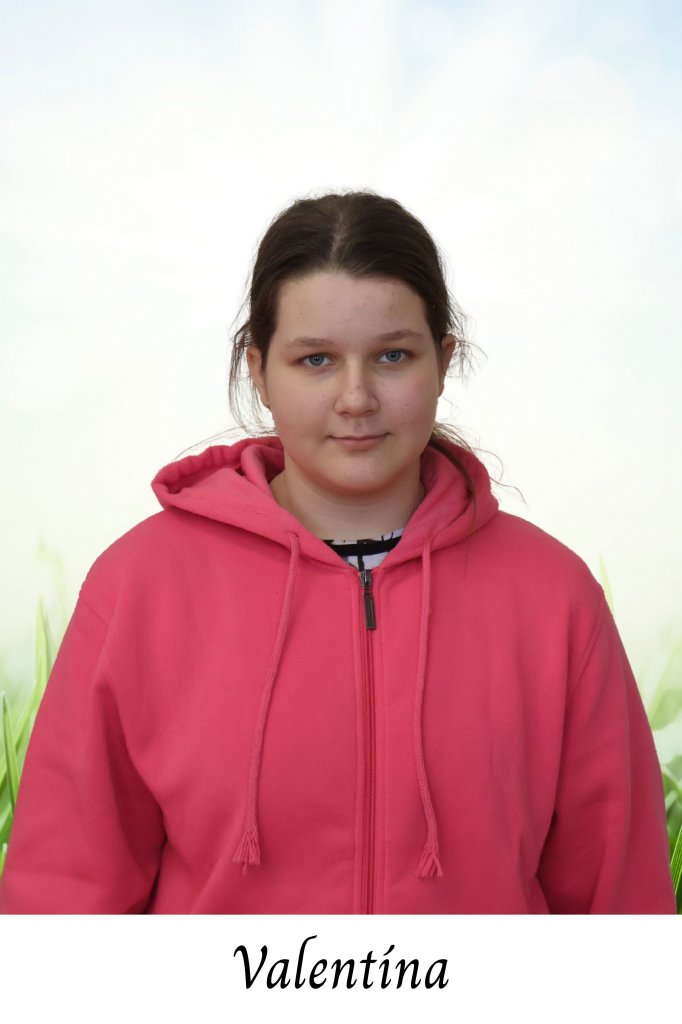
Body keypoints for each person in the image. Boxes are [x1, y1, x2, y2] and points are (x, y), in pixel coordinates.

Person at [0, 190, 676, 914]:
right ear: (260, 372)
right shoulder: (139, 588)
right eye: (316, 359)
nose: (356, 398)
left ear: (443, 362)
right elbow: (62, 899)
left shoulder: (553, 597)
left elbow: (618, 902)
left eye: (393, 356)